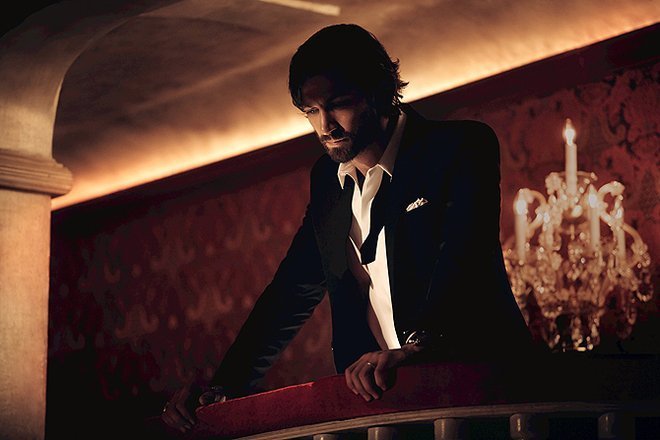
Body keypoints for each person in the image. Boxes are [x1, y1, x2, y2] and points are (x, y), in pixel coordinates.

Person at [161, 23, 534, 433]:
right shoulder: (326, 182)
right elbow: (291, 291)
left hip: (488, 394)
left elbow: (465, 256)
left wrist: (420, 348)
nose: (326, 126)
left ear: (379, 92)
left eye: (338, 104)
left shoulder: (459, 147)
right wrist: (223, 387)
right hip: (389, 407)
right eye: (311, 111)